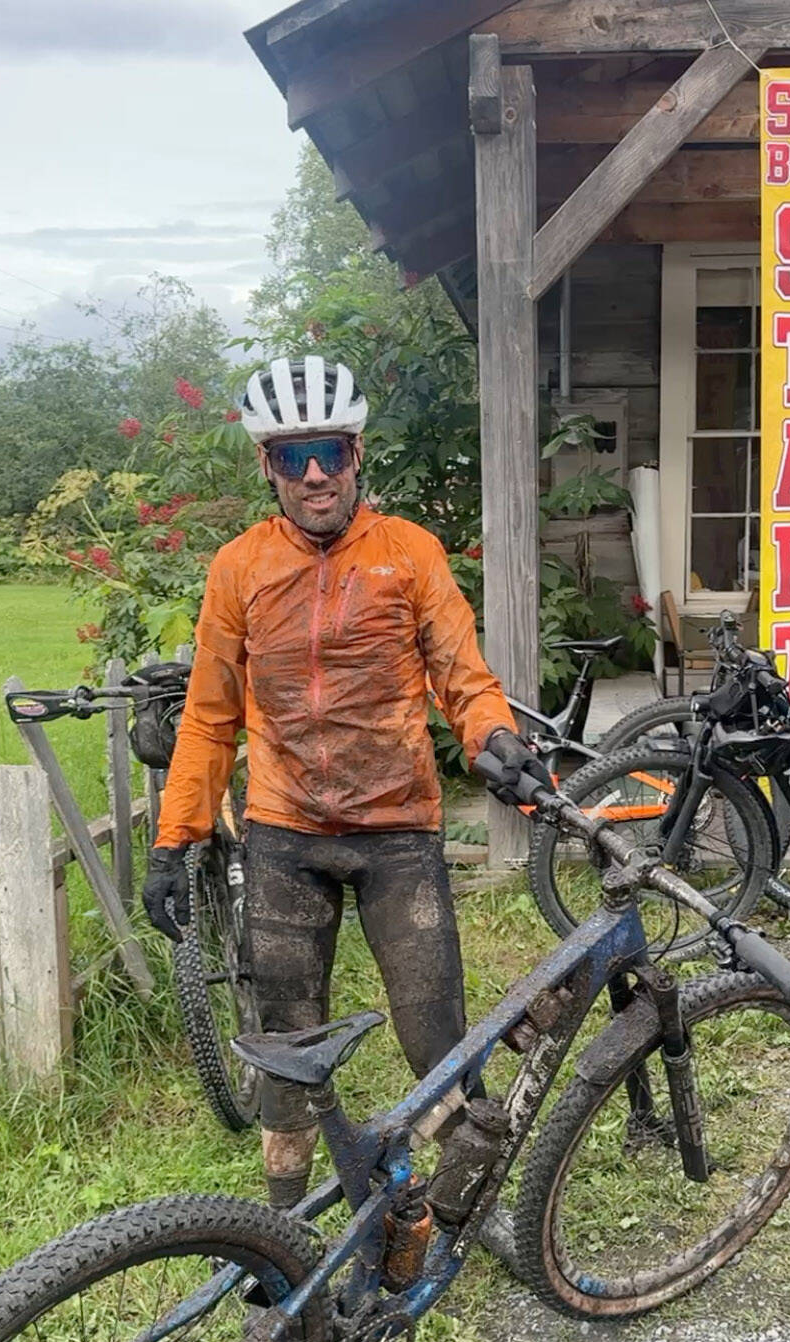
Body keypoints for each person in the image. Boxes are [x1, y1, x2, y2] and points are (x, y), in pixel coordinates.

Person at [143, 355, 551, 1209]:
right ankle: (284, 1226)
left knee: (434, 1034)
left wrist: (493, 735)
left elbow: (461, 674)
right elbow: (211, 714)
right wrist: (174, 840)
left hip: (398, 832)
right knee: (286, 1047)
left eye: (328, 449)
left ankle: (458, 1206)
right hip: (285, 834)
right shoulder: (240, 568)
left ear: (357, 451)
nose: (315, 473)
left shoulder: (409, 554)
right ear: (268, 466)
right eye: (293, 457)